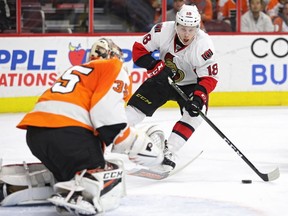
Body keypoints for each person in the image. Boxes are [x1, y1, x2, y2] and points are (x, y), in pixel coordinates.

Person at [11, 38, 165, 215]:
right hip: (68, 133)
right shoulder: (113, 67)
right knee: (107, 171)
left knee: (71, 170)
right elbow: (106, 114)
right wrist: (134, 143)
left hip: (36, 134)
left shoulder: (78, 70)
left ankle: (15, 185)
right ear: (114, 56)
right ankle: (82, 196)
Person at [125, 4, 219, 172]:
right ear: (176, 24)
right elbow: (138, 50)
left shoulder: (204, 45)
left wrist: (198, 98)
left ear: (197, 27)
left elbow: (209, 77)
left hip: (191, 85)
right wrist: (155, 65)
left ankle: (170, 150)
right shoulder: (162, 30)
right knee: (133, 111)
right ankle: (106, 137)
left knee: (196, 114)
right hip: (162, 79)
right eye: (183, 28)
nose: (187, 34)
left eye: (191, 29)